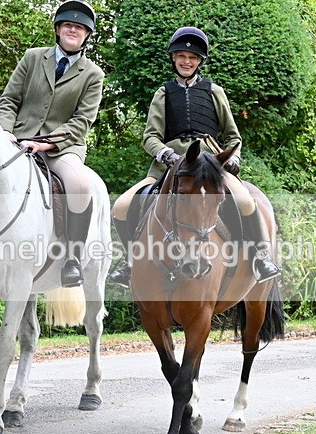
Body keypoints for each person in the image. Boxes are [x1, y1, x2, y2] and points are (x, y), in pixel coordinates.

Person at [0, 0, 104, 288]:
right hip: (17, 140)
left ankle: (72, 259)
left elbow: (82, 121)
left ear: (86, 35)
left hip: (62, 148)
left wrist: (47, 143)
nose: (72, 30)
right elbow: (10, 99)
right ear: (58, 29)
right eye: (67, 25)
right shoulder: (33, 57)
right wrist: (6, 132)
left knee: (80, 185)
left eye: (79, 27)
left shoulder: (93, 75)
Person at [109, 26, 280, 287]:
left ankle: (260, 257)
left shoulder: (214, 91)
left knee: (245, 201)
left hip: (208, 164)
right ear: (174, 58)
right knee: (121, 206)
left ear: (200, 61)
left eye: (192, 57)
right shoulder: (163, 93)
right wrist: (164, 152)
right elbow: (150, 137)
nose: (186, 61)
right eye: (181, 56)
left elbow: (233, 136)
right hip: (170, 165)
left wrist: (233, 158)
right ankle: (131, 263)